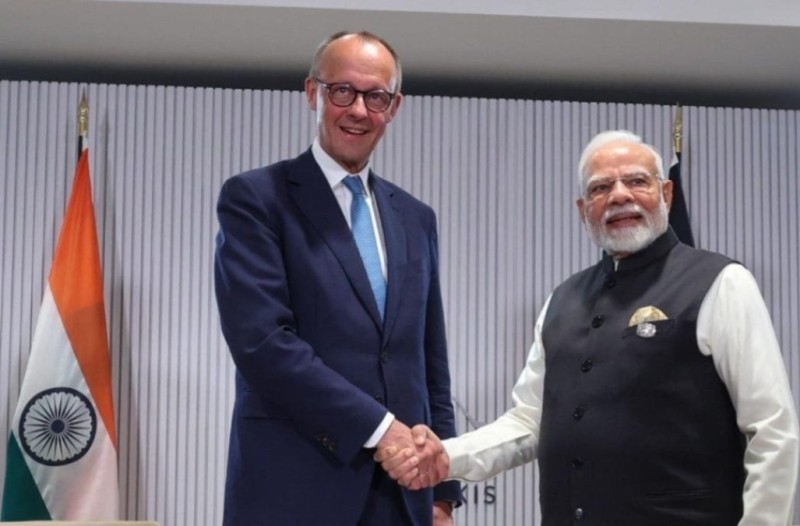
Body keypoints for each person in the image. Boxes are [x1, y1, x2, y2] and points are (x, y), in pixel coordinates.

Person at [377, 130, 800, 525]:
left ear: (666, 193)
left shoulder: (722, 283)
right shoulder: (560, 301)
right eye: (600, 188)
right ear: (583, 210)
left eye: (637, 181)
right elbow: (529, 423)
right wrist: (446, 456)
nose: (619, 195)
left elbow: (772, 431)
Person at [214, 31, 461, 525]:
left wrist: (442, 490)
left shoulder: (416, 218)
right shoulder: (256, 199)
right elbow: (263, 344)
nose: (358, 110)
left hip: (403, 496)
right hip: (293, 491)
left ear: (394, 107)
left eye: (376, 97)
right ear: (313, 93)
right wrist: (381, 429)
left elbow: (428, 359)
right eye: (342, 91)